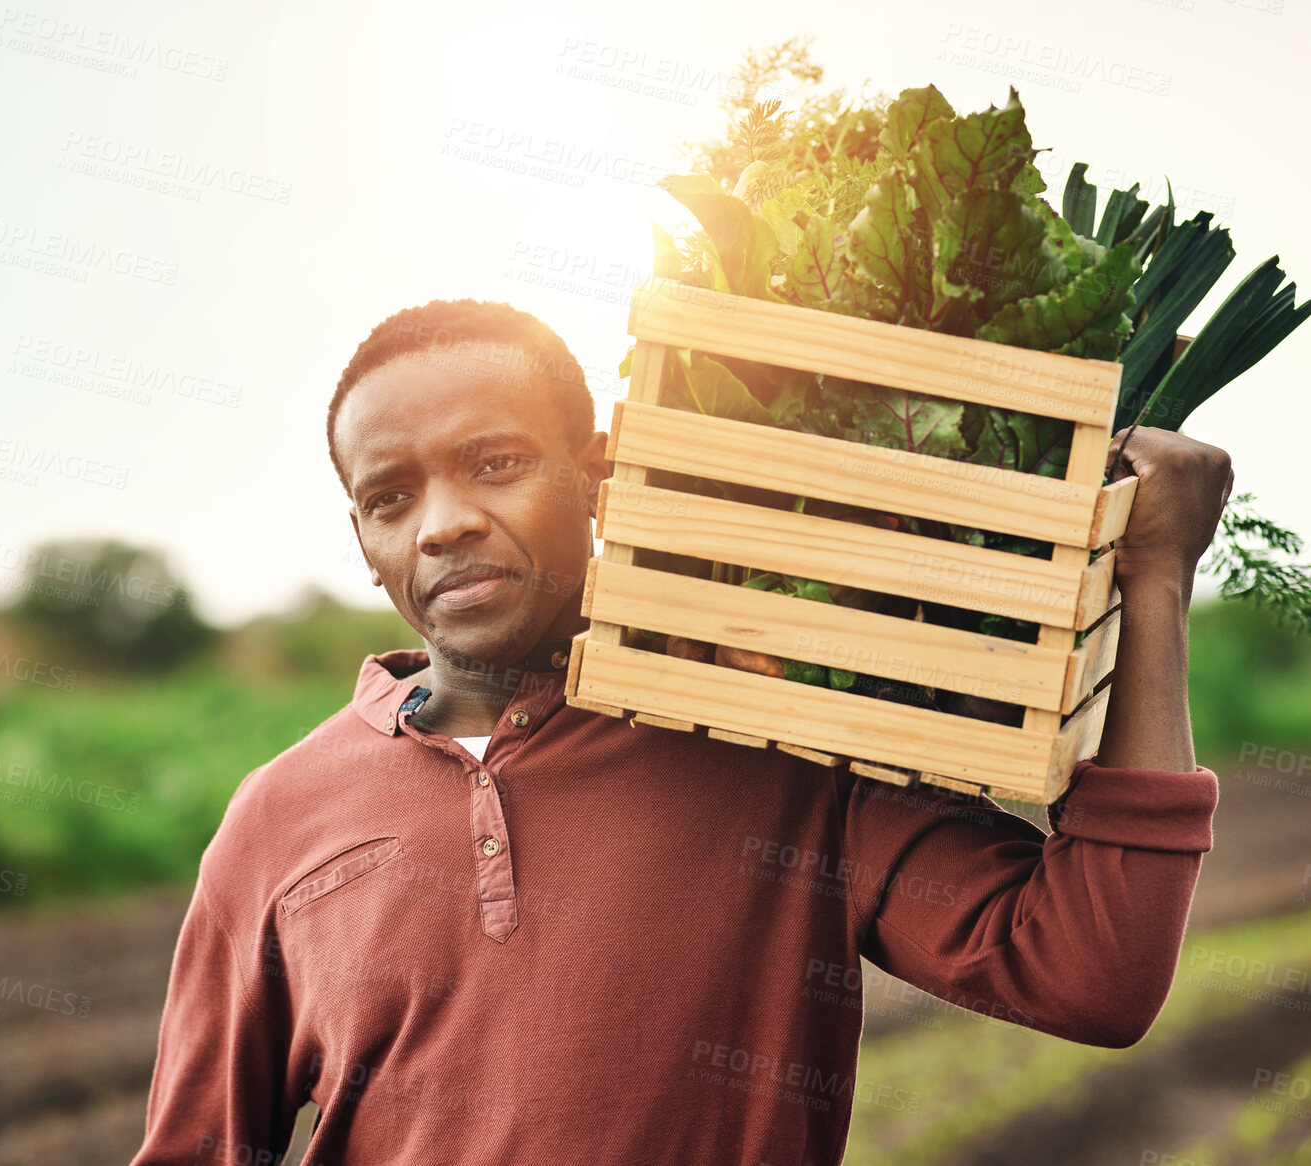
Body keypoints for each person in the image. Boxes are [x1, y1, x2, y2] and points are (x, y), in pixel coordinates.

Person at [130, 299, 1231, 1165]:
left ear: (603, 470)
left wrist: (1153, 575)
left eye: (495, 462)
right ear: (365, 541)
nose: (445, 520)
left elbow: (1087, 974)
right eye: (390, 496)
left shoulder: (774, 738)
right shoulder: (278, 817)